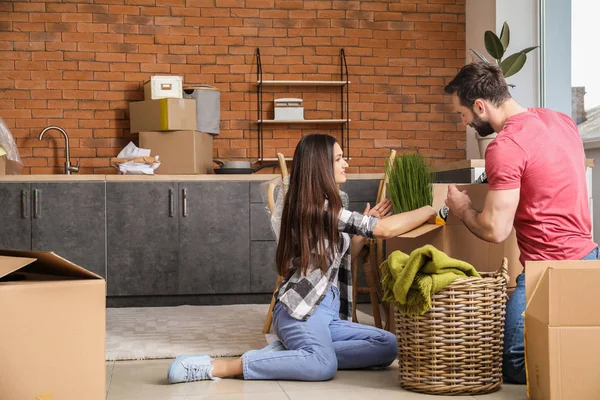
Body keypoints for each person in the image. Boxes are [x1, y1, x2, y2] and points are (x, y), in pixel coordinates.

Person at [167, 133, 437, 383]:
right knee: (323, 366)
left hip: (328, 313)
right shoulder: (314, 207)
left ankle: (293, 353)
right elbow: (386, 230)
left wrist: (365, 232)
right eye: (339, 159)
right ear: (320, 166)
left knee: (388, 345)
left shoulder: (329, 206)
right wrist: (429, 208)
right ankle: (221, 367)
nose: (346, 164)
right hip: (301, 309)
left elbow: (347, 256)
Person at [443, 62, 598, 384]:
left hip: (549, 269)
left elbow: (495, 230)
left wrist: (462, 209)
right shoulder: (561, 120)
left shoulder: (505, 147)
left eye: (463, 115)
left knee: (513, 363)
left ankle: (577, 374)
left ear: (480, 105)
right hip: (588, 258)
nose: (465, 123)